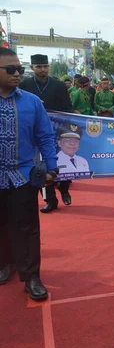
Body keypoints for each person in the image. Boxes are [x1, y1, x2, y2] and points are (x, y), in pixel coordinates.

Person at [0, 47, 58, 301]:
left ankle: (31, 276)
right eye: (10, 69)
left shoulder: (31, 101)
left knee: (27, 228)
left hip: (23, 175)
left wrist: (51, 166)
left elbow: (45, 136)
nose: (17, 74)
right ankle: (4, 264)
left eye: (19, 69)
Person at [19, 54, 74, 213]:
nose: (43, 70)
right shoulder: (24, 85)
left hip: (56, 131)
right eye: (39, 67)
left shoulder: (58, 85)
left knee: (60, 163)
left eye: (45, 66)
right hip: (33, 132)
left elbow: (67, 109)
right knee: (38, 167)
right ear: (32, 68)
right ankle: (50, 200)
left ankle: (64, 189)